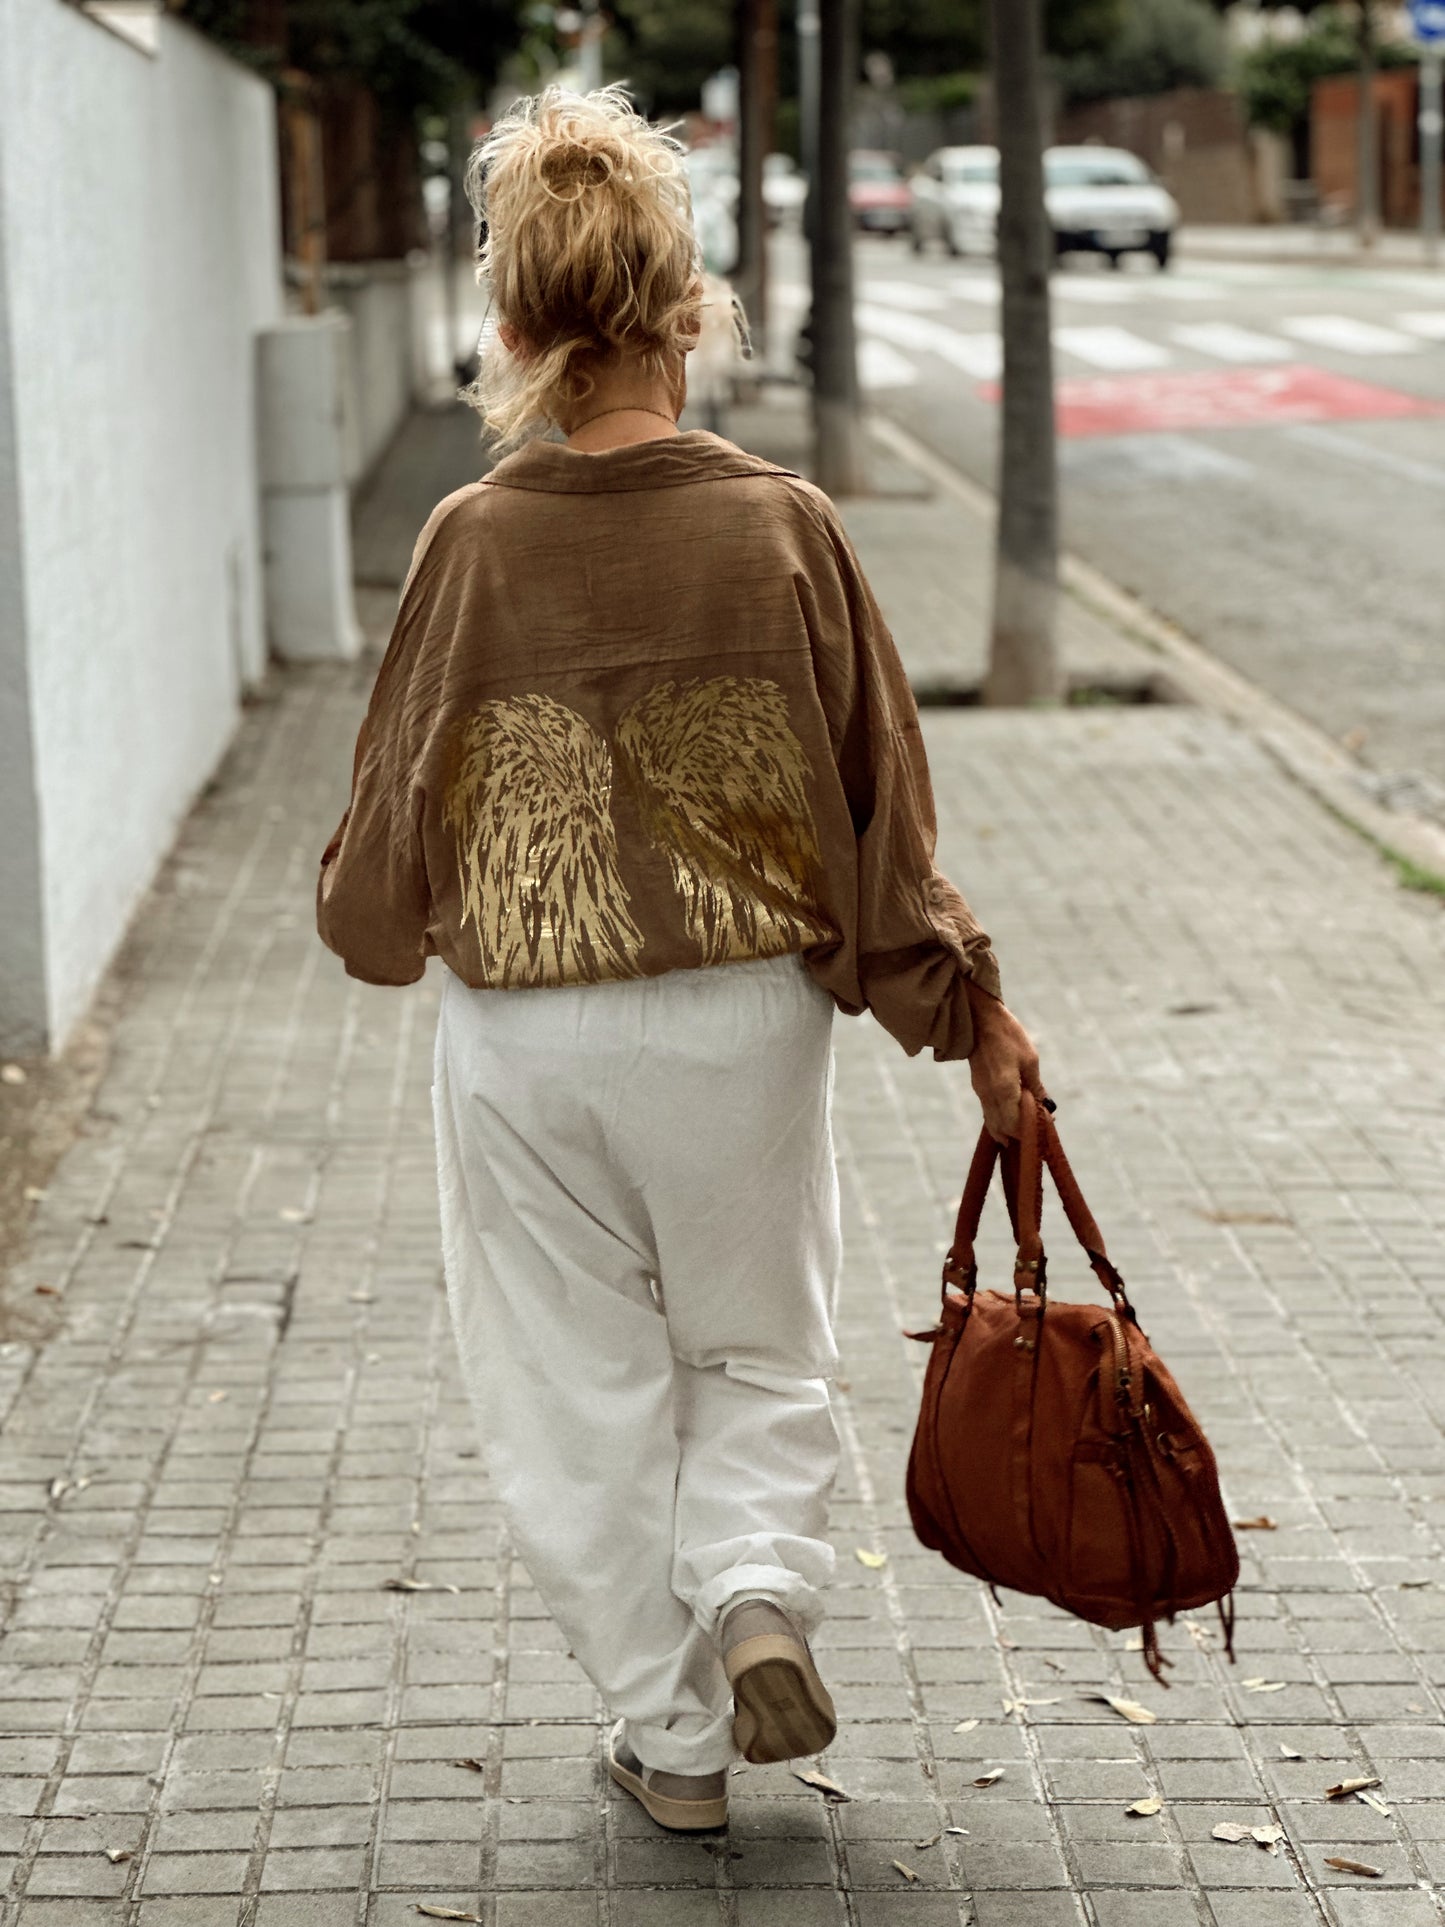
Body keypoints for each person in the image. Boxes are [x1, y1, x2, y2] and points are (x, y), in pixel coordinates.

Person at [316, 84, 1046, 1836]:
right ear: (689, 312)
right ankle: (756, 1594)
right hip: (743, 1026)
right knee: (756, 1349)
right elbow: (883, 821)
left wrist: (373, 911)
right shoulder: (784, 525)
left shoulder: (469, 541)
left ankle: (673, 1745)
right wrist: (974, 1017)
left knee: (574, 1389)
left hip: (530, 1038)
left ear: (510, 330)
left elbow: (384, 856)